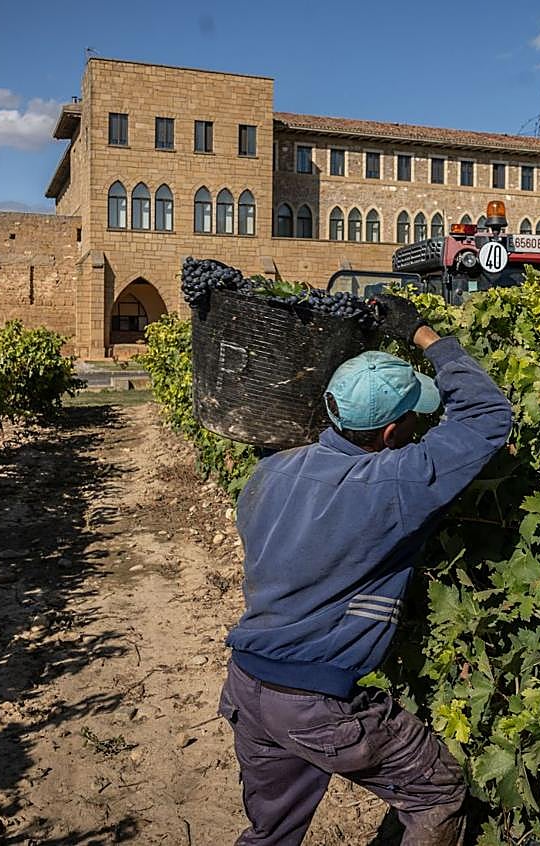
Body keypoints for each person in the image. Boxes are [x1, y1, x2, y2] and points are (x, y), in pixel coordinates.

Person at [219, 292, 513, 846]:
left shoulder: (270, 473)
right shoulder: (394, 485)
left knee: (272, 833)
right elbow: (490, 417)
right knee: (438, 791)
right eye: (411, 421)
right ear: (389, 435)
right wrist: (425, 337)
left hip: (248, 687)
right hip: (315, 701)